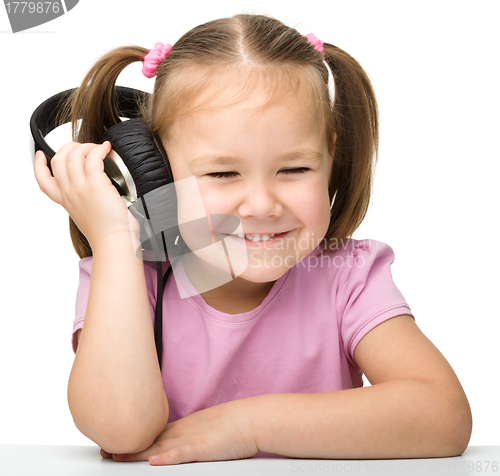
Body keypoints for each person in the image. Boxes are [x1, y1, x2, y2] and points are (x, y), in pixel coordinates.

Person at [33, 13, 472, 466]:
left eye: (295, 169)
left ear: (329, 160)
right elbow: (120, 429)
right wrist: (112, 238)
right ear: (155, 179)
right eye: (223, 173)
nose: (262, 205)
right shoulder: (125, 275)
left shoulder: (349, 276)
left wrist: (247, 427)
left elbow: (444, 417)